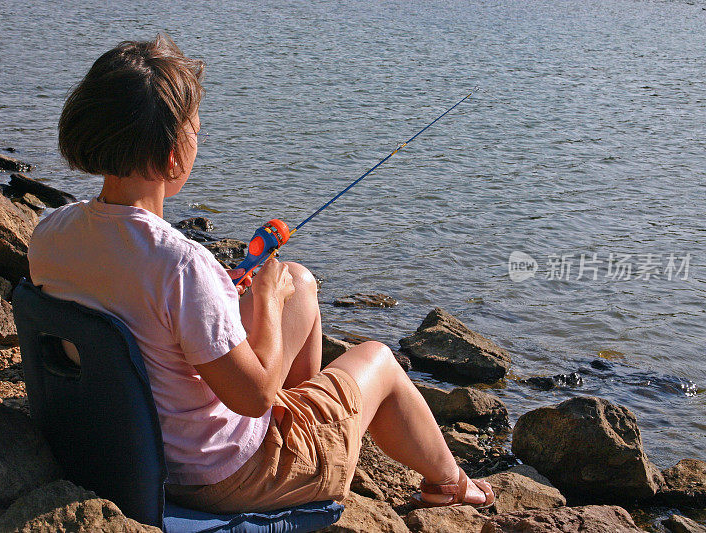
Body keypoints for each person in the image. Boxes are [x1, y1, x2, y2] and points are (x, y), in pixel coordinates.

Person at [28, 34, 495, 513]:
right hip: (218, 476)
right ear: (172, 156)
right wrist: (266, 298)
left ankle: (301, 421)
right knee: (376, 357)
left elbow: (136, 311)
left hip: (121, 448)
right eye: (193, 126)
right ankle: (451, 482)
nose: (199, 130)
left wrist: (230, 298)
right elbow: (252, 398)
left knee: (300, 280)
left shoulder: (50, 232)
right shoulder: (181, 266)